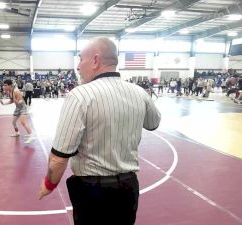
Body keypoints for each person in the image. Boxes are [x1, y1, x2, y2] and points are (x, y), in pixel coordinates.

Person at [38, 37, 161, 225]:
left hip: (93, 191)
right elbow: (153, 123)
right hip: (129, 188)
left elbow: (59, 158)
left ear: (95, 60)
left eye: (81, 59)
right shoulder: (139, 92)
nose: (78, 67)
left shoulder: (80, 95)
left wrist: (49, 184)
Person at [0, 79, 35, 144]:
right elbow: (11, 101)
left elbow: (21, 100)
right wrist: (4, 103)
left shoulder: (16, 91)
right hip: (17, 108)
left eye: (5, 85)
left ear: (10, 85)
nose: (4, 87)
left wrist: (17, 101)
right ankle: (17, 133)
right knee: (13, 122)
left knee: (23, 122)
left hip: (22, 107)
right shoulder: (9, 92)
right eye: (4, 85)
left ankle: (32, 136)